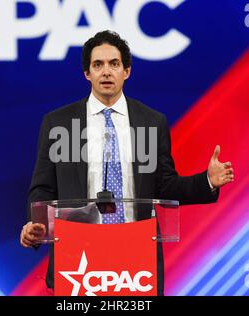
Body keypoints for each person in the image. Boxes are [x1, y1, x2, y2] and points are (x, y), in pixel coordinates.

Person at [20, 30, 234, 295]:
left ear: (127, 71)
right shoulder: (58, 123)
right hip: (78, 257)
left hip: (136, 255)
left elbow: (164, 187)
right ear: (87, 73)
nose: (106, 72)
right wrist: (35, 223)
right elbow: (43, 188)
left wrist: (207, 181)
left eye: (114, 64)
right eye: (98, 65)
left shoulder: (152, 122)